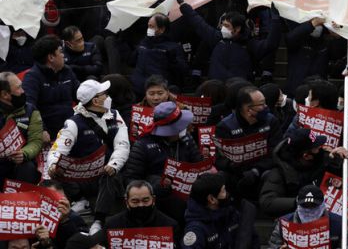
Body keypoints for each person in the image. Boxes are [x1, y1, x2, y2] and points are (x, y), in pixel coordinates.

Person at [48, 79, 130, 235]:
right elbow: (56, 150)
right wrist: (53, 164)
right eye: (104, 94)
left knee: (110, 175)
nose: (108, 96)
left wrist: (113, 164)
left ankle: (98, 221)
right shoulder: (73, 123)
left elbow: (122, 145)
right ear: (95, 100)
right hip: (85, 178)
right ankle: (79, 199)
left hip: (109, 174)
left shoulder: (115, 115)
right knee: (57, 167)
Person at [123, 102, 202, 223]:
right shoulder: (142, 145)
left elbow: (199, 163)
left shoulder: (187, 138)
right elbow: (131, 179)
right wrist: (157, 188)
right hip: (161, 195)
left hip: (189, 189)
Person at [177, 0, 281, 81]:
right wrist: (182, 3)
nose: (223, 28)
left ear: (237, 29)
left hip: (240, 90)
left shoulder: (250, 45)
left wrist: (276, 20)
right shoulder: (216, 38)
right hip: (217, 89)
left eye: (227, 25)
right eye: (222, 25)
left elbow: (270, 44)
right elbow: (197, 22)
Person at [259, 127, 347, 218]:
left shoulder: (323, 158)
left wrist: (339, 160)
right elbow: (267, 202)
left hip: (326, 214)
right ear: (307, 156)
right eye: (316, 147)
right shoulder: (280, 172)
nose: (321, 148)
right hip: (298, 219)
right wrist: (300, 201)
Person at [214, 85, 282, 199]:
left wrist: (256, 171)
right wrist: (234, 167)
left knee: (273, 174)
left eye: (265, 103)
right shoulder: (225, 126)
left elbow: (276, 152)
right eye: (261, 104)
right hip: (236, 174)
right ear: (248, 109)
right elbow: (220, 160)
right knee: (221, 176)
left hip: (263, 170)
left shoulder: (271, 121)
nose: (266, 107)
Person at [23, 35, 80, 138]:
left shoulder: (67, 71)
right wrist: (42, 129)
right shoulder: (32, 77)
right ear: (51, 57)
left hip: (72, 126)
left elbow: (81, 96)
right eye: (60, 52)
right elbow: (28, 106)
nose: (63, 55)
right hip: (49, 131)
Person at [182, 172, 258, 249]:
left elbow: (253, 240)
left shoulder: (232, 213)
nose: (227, 194)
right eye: (223, 191)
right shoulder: (196, 230)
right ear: (212, 199)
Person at [267, 185, 348, 249]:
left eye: (313, 206)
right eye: (305, 206)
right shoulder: (284, 222)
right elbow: (273, 245)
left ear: (322, 204)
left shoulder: (339, 223)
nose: (309, 210)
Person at [130, 13, 188, 97]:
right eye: (148, 26)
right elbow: (131, 61)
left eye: (152, 26)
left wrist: (173, 61)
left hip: (158, 92)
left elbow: (183, 70)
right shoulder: (144, 43)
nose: (148, 29)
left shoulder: (173, 47)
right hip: (138, 89)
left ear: (161, 29)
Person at [0, 71, 42, 184]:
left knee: (27, 167)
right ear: (5, 94)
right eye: (18, 88)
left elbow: (36, 141)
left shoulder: (31, 110)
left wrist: (23, 153)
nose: (23, 91)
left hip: (19, 163)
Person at [105, 180, 180, 241]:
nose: (141, 205)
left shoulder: (170, 226)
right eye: (135, 201)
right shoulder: (112, 225)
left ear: (153, 200)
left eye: (145, 200)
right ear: (127, 202)